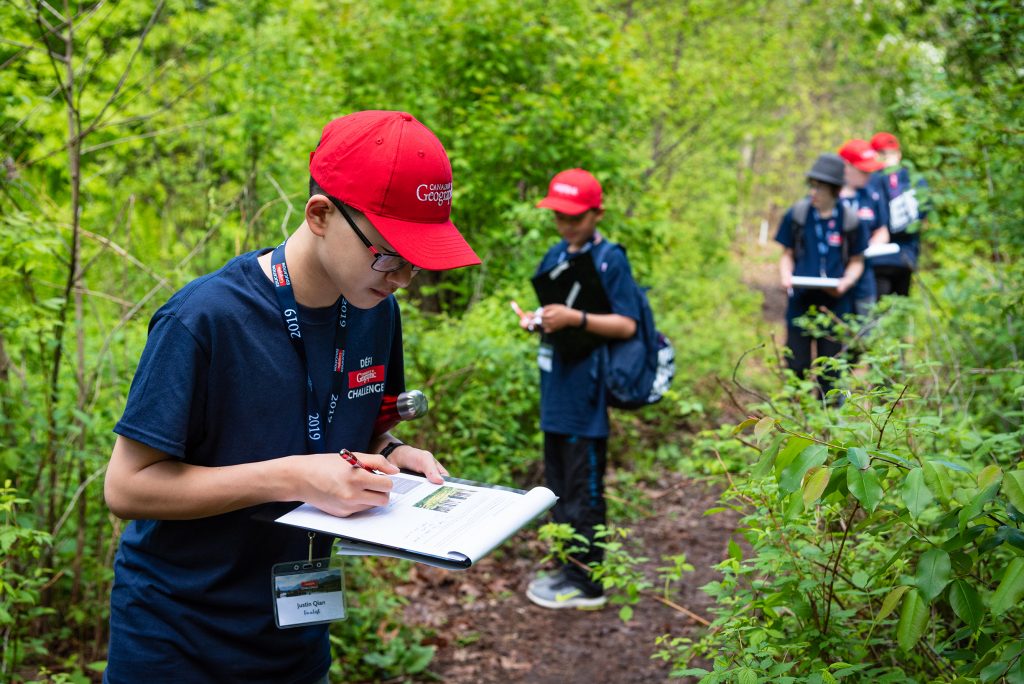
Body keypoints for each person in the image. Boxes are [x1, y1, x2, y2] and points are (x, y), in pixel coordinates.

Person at [102, 110, 480, 684]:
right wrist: (296, 477)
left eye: (416, 261)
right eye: (389, 254)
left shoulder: (376, 311)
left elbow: (364, 424)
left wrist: (394, 450)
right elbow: (127, 487)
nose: (402, 277)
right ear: (321, 214)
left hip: (295, 633)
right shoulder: (204, 319)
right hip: (178, 638)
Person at [515, 168, 639, 610]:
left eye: (575, 217)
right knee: (558, 489)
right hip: (556, 389)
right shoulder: (554, 253)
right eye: (560, 217)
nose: (566, 226)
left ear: (596, 213)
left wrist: (576, 320)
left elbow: (627, 323)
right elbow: (553, 308)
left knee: (584, 491)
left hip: (586, 394)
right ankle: (566, 569)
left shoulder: (611, 259)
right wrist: (537, 321)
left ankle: (588, 584)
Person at [776, 153, 868, 397]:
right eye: (812, 185)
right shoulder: (797, 214)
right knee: (796, 365)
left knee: (832, 370)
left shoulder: (851, 220)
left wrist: (846, 282)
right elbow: (787, 254)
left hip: (836, 304)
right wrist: (786, 276)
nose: (813, 192)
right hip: (801, 302)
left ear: (835, 190)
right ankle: (798, 417)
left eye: (820, 187)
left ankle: (826, 423)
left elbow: (857, 261)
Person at [868, 132, 928, 297]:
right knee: (898, 310)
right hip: (905, 256)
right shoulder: (915, 179)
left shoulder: (870, 179)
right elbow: (923, 215)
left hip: (879, 258)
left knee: (877, 313)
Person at [838, 138, 889, 318]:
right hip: (834, 274)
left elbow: (882, 231)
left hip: (864, 276)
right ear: (846, 166)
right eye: (863, 171)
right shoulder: (829, 196)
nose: (868, 176)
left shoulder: (871, 195)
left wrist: (872, 244)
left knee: (866, 329)